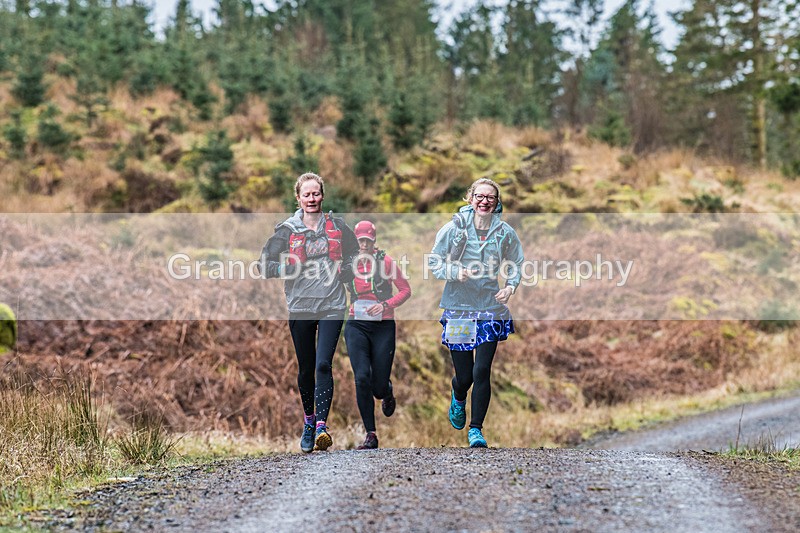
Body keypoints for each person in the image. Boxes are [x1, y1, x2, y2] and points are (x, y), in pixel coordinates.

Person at [259, 172, 358, 453]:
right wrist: (285, 269)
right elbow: (263, 265)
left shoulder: (337, 226)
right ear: (298, 198)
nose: (312, 199)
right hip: (301, 306)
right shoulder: (286, 231)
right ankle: (309, 421)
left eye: (316, 194)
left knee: (323, 365)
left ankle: (322, 428)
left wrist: (347, 270)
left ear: (322, 195)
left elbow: (354, 255)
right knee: (305, 369)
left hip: (332, 305)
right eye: (307, 194)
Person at [428, 178, 524, 448]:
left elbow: (516, 262)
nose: (484, 201)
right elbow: (434, 261)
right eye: (479, 196)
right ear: (470, 199)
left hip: (490, 306)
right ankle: (458, 395)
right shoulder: (454, 229)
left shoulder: (505, 233)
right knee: (466, 375)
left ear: (497, 202)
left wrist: (511, 286)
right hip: (459, 307)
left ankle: (476, 430)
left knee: (482, 370)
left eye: (490, 198)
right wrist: (455, 272)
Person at [344, 220, 412, 450]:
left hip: (383, 325)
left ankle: (387, 391)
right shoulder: (348, 263)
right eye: (360, 240)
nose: (363, 244)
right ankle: (370, 434)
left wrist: (385, 305)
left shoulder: (386, 262)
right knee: (361, 377)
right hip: (356, 325)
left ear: (374, 241)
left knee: (378, 386)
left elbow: (405, 290)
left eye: (368, 240)